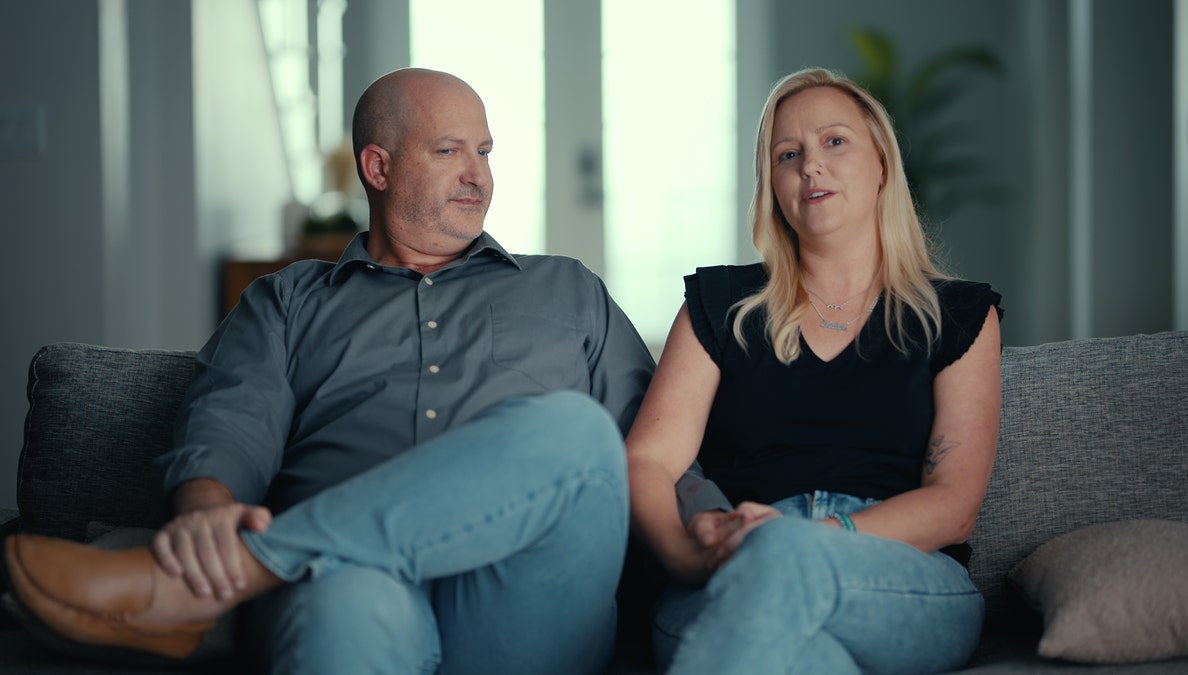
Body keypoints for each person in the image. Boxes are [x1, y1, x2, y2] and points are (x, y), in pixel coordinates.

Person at [2, 68, 658, 675]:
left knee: (574, 430)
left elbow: (659, 452)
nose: (477, 176)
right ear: (378, 166)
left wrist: (713, 529)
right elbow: (230, 418)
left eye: (484, 152)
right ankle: (252, 562)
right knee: (339, 609)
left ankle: (240, 570)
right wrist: (204, 513)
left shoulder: (567, 289)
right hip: (344, 584)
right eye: (449, 151)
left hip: (525, 598)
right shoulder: (286, 301)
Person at [624, 67, 1003, 674]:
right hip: (730, 570)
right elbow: (647, 461)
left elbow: (954, 501)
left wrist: (807, 538)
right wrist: (684, 558)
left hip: (893, 573)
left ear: (882, 163)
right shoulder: (720, 306)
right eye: (788, 154)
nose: (810, 166)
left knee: (781, 563)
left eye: (835, 142)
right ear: (772, 183)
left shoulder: (958, 315)